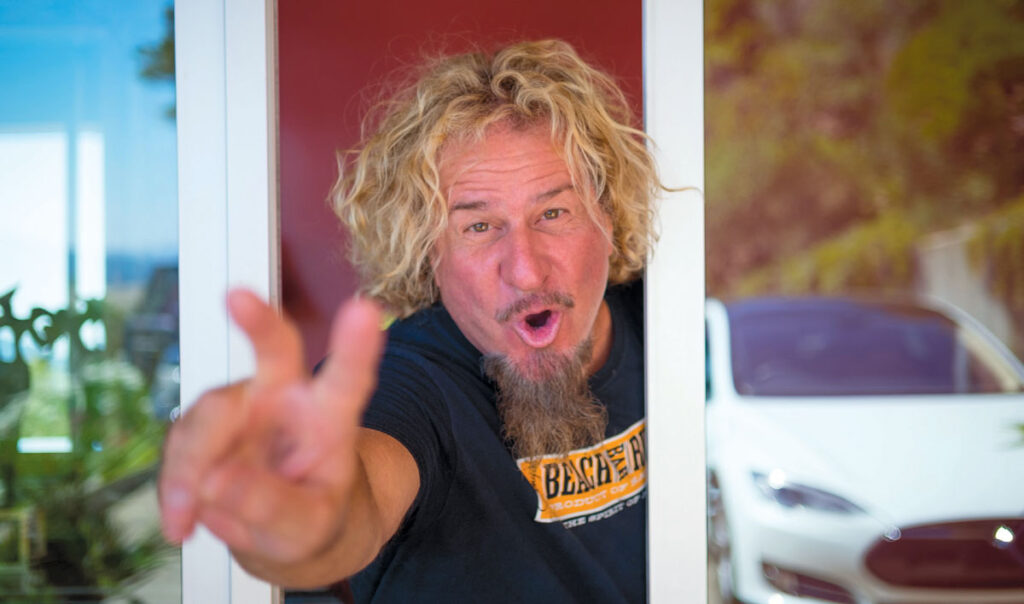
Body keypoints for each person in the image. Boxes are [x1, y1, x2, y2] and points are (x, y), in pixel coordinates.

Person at [159, 39, 660, 602]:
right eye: (478, 226)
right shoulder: (409, 380)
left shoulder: (662, 320)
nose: (524, 270)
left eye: (553, 213)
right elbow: (357, 494)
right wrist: (304, 512)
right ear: (429, 253)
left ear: (608, 218)